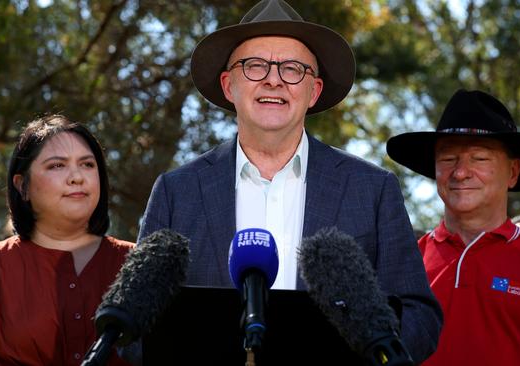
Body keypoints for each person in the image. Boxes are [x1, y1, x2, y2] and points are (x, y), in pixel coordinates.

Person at [138, 0, 442, 362]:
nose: (273, 79)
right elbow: (136, 323)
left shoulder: (373, 189)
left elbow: (420, 317)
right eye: (254, 66)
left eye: (292, 69)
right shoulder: (177, 191)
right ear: (228, 85)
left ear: (313, 91)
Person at [386, 89, 520, 365]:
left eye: (479, 158)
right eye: (448, 158)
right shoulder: (404, 264)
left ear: (513, 172)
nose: (460, 172)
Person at [0, 115, 134, 366]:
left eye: (87, 164)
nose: (77, 177)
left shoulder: (138, 265)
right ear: (22, 186)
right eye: (57, 166)